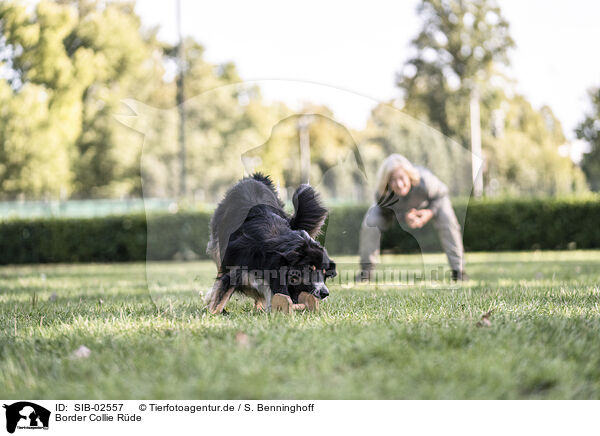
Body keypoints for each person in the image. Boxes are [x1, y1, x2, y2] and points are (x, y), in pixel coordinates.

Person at [358, 154, 468, 281]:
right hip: (400, 211)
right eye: (393, 180)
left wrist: (430, 212)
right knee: (370, 222)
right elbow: (386, 211)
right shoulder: (382, 193)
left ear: (409, 176)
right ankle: (366, 273)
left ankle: (459, 271)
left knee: (448, 221)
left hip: (432, 203)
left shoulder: (425, 181)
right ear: (387, 183)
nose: (399, 184)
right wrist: (404, 217)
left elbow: (442, 193)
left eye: (402, 178)